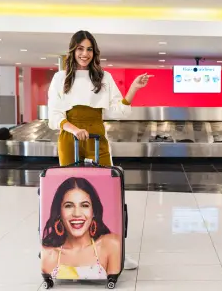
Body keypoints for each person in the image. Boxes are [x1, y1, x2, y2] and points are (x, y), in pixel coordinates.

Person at [47, 30, 151, 269]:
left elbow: (118, 111)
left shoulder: (104, 77)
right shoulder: (60, 78)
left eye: (89, 49)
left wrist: (134, 88)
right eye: (80, 49)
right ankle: (67, 253)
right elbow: (54, 115)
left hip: (97, 137)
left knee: (105, 194)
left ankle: (114, 253)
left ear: (94, 52)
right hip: (69, 137)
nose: (85, 54)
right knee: (70, 197)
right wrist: (73, 129)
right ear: (72, 51)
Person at [41, 177, 122, 279]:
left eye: (84, 205)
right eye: (69, 206)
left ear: (94, 212)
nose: (77, 214)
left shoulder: (111, 244)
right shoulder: (48, 255)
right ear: (59, 213)